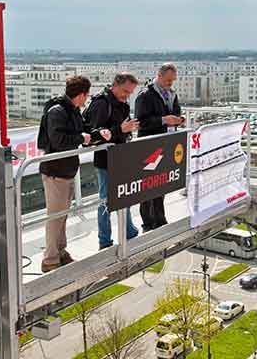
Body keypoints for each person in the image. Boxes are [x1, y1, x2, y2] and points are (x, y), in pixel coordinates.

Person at [38, 76, 111, 272]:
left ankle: (60, 252)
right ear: (80, 95)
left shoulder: (71, 110)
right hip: (55, 172)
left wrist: (97, 134)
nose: (86, 99)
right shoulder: (58, 112)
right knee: (55, 217)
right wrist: (81, 137)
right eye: (86, 95)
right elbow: (59, 139)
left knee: (62, 216)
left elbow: (82, 132)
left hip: (66, 170)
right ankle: (50, 260)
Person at [85, 73, 140, 249]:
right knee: (106, 200)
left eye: (130, 93)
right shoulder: (102, 103)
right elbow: (96, 135)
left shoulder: (121, 102)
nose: (127, 96)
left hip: (121, 156)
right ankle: (104, 239)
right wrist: (121, 129)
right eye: (125, 91)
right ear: (115, 85)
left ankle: (129, 230)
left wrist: (127, 130)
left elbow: (119, 130)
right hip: (106, 160)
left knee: (124, 195)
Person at [134, 63, 184, 232]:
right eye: (169, 80)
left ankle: (160, 219)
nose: (171, 83)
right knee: (148, 185)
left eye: (173, 80)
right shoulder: (145, 95)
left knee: (161, 183)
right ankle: (148, 222)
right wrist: (164, 120)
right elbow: (140, 122)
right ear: (159, 76)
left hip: (165, 143)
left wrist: (179, 119)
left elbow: (176, 112)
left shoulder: (171, 94)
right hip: (149, 145)